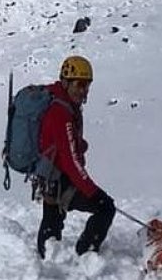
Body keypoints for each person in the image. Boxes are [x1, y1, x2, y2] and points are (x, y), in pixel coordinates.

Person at [35, 54, 116, 259]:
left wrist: (79, 145)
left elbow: (64, 146)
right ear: (66, 82)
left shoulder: (61, 104)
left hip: (50, 177)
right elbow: (70, 160)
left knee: (52, 220)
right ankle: (86, 254)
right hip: (61, 178)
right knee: (105, 207)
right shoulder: (61, 112)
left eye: (87, 85)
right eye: (80, 84)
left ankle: (45, 261)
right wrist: (92, 191)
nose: (84, 90)